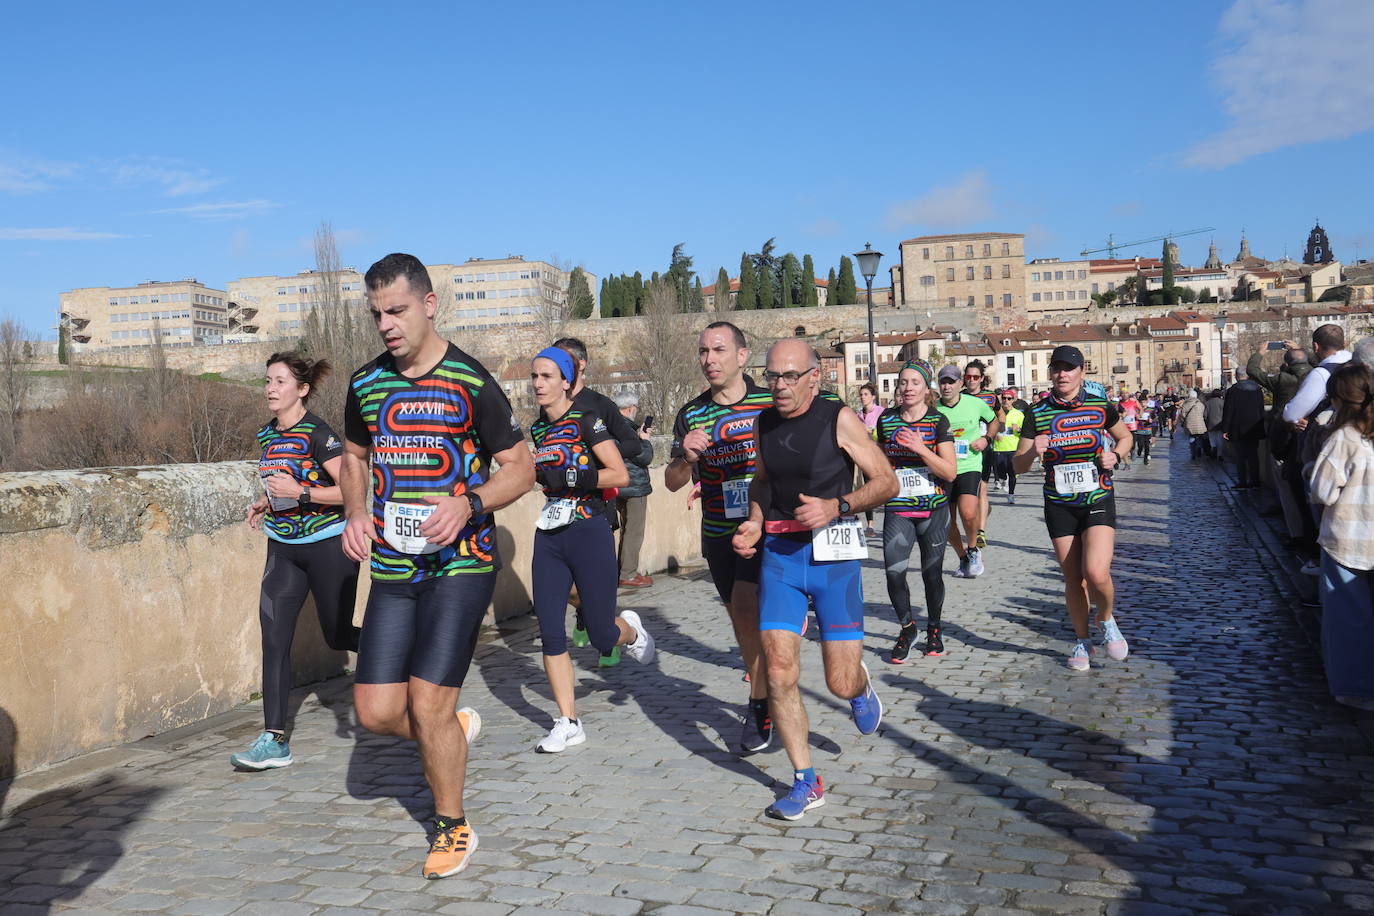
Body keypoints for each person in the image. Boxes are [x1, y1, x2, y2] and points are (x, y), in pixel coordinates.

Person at [340, 253, 536, 880]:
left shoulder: (471, 382)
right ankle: (449, 729)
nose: (386, 325)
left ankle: (453, 826)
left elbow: (522, 468)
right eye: (376, 315)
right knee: (372, 712)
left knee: (426, 701)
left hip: (462, 563)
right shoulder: (366, 384)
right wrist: (355, 512)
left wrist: (468, 502)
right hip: (396, 567)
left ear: (429, 304)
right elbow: (352, 454)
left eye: (396, 310)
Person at [731, 339, 898, 819]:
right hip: (781, 557)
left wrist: (838, 505)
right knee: (780, 671)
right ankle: (806, 779)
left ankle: (860, 688)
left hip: (835, 557)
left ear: (813, 377)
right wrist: (756, 523)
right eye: (772, 377)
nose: (778, 387)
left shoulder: (837, 418)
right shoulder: (763, 422)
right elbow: (761, 480)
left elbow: (886, 481)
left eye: (788, 377)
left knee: (838, 680)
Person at [235, 352, 360, 771]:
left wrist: (301, 494)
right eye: (267, 380)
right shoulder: (267, 435)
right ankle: (274, 739)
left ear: (301, 389)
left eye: (280, 381)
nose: (270, 389)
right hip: (283, 549)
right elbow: (285, 483)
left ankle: (404, 649)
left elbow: (349, 492)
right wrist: (266, 502)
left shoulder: (318, 434)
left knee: (338, 635)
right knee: (273, 639)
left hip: (328, 545)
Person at [528, 347, 655, 753]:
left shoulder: (587, 421)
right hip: (549, 533)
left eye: (546, 376)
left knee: (601, 633)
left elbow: (618, 472)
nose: (537, 384)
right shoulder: (536, 430)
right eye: (534, 377)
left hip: (589, 528)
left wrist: (573, 474)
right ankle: (568, 721)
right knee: (550, 631)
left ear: (567, 380)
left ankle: (630, 632)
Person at [666, 322, 776, 753]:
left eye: (718, 350)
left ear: (742, 356)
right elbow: (674, 481)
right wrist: (687, 456)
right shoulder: (692, 414)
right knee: (744, 620)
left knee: (758, 612)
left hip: (772, 525)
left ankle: (764, 698)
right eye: (702, 352)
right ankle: (764, 696)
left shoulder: (771, 402)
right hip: (719, 531)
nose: (709, 360)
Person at [1012, 345, 1133, 672]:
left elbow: (1125, 438)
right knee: (1074, 578)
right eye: (1057, 368)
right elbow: (1018, 466)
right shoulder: (1036, 413)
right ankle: (1083, 641)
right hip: (1059, 503)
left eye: (1069, 368)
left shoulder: (1100, 405)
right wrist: (1031, 452)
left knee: (1096, 572)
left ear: (1082, 372)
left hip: (1097, 497)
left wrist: (1116, 456)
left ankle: (1106, 619)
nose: (1062, 374)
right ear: (1051, 373)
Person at [875, 359, 957, 661]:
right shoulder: (886, 419)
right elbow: (880, 465)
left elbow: (950, 472)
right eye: (903, 382)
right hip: (898, 508)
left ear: (926, 389)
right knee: (894, 572)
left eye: (915, 383)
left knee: (931, 574)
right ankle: (907, 628)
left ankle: (934, 628)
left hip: (933, 509)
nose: (908, 388)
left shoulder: (938, 422)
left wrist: (921, 448)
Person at [1308, 362, 1374, 710]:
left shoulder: (1345, 437)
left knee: (1349, 619)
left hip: (1348, 538)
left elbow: (1322, 490)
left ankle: (1357, 689)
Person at [935, 365, 998, 578]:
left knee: (968, 512)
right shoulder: (934, 410)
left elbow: (994, 421)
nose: (947, 386)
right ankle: (962, 557)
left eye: (951, 382)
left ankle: (973, 549)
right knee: (946, 521)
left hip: (970, 464)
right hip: (944, 469)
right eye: (943, 381)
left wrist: (986, 439)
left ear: (960, 384)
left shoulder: (976, 404)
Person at [612, 390, 655, 590]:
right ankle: (627, 574)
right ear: (630, 408)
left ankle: (621, 571)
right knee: (634, 531)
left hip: (615, 485)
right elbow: (644, 457)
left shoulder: (609, 426)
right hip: (634, 486)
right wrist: (644, 439)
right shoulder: (627, 429)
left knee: (624, 530)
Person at [962, 360, 1001, 547]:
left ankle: (981, 532)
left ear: (982, 379)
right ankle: (980, 513)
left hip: (985, 448)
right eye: (968, 377)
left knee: (982, 489)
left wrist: (990, 436)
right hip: (963, 452)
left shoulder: (991, 397)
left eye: (975, 377)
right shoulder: (958, 396)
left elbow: (1000, 417)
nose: (971, 380)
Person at [1283, 324, 1353, 429]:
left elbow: (1291, 415)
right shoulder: (1360, 363)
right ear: (1344, 343)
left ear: (1316, 346)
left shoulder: (1322, 374)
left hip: (1338, 436)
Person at [1222, 369, 1266, 489]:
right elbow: (1261, 409)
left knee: (1240, 456)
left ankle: (1242, 481)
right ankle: (1255, 481)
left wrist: (1225, 429)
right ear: (1247, 376)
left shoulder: (1232, 391)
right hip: (1254, 426)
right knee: (1253, 455)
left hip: (1237, 427)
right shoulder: (1257, 389)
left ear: (1236, 376)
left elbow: (1228, 411)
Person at [855, 382, 883, 537]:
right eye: (861, 394)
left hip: (880, 456)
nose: (862, 397)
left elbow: (885, 432)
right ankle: (870, 525)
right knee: (868, 489)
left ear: (873, 396)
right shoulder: (858, 415)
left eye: (865, 394)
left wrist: (873, 432)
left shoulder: (881, 412)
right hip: (865, 457)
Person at [991, 388, 1024, 504]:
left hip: (1013, 448)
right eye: (1004, 398)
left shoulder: (1019, 414)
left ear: (1013, 400)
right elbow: (989, 428)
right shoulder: (996, 413)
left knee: (1012, 473)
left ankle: (1011, 494)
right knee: (1000, 473)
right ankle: (1003, 480)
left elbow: (1025, 431)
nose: (1006, 400)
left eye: (1008, 398)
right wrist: (994, 435)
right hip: (999, 448)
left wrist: (1018, 429)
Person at [1175, 389, 1209, 459]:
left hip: (1189, 424)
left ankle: (1193, 453)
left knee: (1192, 438)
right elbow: (1204, 414)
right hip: (1200, 424)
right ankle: (1199, 449)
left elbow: (1183, 415)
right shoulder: (1200, 404)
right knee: (1199, 437)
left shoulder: (1186, 404)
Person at [1134, 392, 1154, 466]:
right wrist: (1137, 417)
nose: (1143, 404)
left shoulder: (1150, 410)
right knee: (1140, 444)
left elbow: (1154, 418)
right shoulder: (1136, 410)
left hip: (1147, 431)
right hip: (1139, 430)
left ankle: (1146, 460)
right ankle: (1139, 450)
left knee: (1147, 446)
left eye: (1144, 402)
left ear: (1147, 402)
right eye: (1141, 402)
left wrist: (1151, 420)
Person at [1204, 390, 1225, 460]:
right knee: (1220, 440)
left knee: (1212, 439)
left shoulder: (1208, 403)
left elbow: (1205, 415)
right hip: (1220, 424)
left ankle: (1214, 448)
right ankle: (1220, 455)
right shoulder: (1222, 402)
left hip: (1210, 424)